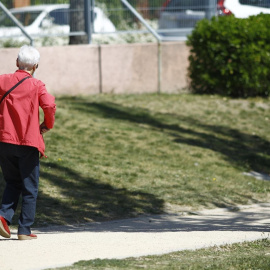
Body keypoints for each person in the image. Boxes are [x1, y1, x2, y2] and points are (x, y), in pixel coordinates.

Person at [0, 45, 56, 240]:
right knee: (30, 187)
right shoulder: (37, 85)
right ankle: (24, 230)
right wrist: (47, 125)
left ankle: (3, 216)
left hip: (4, 140)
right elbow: (49, 104)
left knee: (12, 182)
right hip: (28, 142)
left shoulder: (3, 80)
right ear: (36, 66)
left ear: (17, 62)